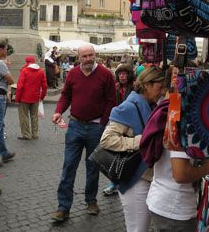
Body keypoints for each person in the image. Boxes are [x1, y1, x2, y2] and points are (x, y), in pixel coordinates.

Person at [50, 44, 116, 222]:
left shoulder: (105, 74)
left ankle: (91, 201)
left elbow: (111, 100)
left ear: (95, 55)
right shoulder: (72, 74)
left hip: (96, 127)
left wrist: (103, 124)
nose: (88, 59)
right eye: (84, 56)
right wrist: (58, 111)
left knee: (93, 167)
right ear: (78, 58)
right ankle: (63, 207)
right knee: (69, 166)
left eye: (91, 55)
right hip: (75, 125)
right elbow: (65, 95)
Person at [99, 66, 166, 232]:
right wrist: (141, 141)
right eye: (160, 86)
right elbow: (106, 140)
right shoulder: (130, 106)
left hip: (146, 176)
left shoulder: (150, 105)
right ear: (148, 84)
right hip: (135, 179)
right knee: (137, 229)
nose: (162, 91)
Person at [146, 135, 209, 231]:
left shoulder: (176, 123)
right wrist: (206, 169)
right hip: (175, 208)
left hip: (165, 200)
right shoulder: (180, 124)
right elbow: (181, 174)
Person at [103, 63, 136, 196]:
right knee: (115, 155)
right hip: (116, 123)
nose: (122, 76)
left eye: (125, 74)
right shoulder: (115, 87)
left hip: (130, 125)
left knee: (128, 155)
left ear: (129, 75)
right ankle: (114, 183)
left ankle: (125, 181)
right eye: (120, 74)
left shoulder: (134, 88)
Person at [15, 55, 47, 140]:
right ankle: (35, 134)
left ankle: (26, 135)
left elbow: (20, 86)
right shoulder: (41, 71)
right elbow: (44, 86)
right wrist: (42, 96)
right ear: (34, 61)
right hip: (36, 97)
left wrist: (17, 98)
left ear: (26, 62)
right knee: (34, 116)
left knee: (24, 116)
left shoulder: (24, 71)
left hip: (24, 98)